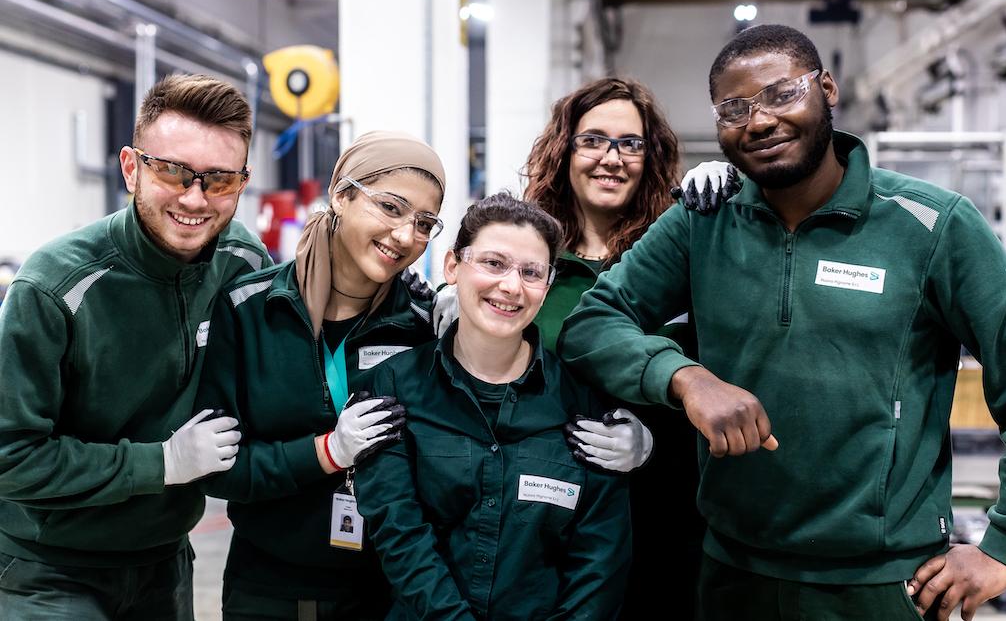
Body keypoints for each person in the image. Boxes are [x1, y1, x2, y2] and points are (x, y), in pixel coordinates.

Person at [560, 23, 1006, 621]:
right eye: (734, 108)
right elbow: (593, 322)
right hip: (731, 576)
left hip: (882, 586)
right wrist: (685, 378)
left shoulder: (931, 227)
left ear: (827, 89)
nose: (758, 121)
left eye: (782, 94)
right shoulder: (702, 222)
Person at [0, 74, 269, 619]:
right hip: (49, 568)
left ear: (242, 184)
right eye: (172, 171)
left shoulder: (244, 262)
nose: (194, 198)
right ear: (131, 168)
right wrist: (160, 464)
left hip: (165, 562)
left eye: (218, 180)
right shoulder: (55, 287)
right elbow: (10, 456)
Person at [195, 131, 446, 620]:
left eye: (424, 222)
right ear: (341, 194)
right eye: (390, 207)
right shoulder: (250, 311)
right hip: (271, 589)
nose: (404, 235)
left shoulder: (424, 324)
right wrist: (326, 452)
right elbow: (217, 469)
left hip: (390, 590)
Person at [356, 192, 632, 620]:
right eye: (494, 263)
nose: (510, 286)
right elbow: (400, 535)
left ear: (547, 285)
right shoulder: (395, 385)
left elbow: (599, 557)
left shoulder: (582, 401)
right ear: (452, 266)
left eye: (531, 272)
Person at [524, 76, 706, 617]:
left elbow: (716, 380)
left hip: (659, 515)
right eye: (593, 140)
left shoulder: (681, 259)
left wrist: (655, 447)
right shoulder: (532, 260)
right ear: (565, 150)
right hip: (545, 514)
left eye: (630, 143)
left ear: (651, 157)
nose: (612, 158)